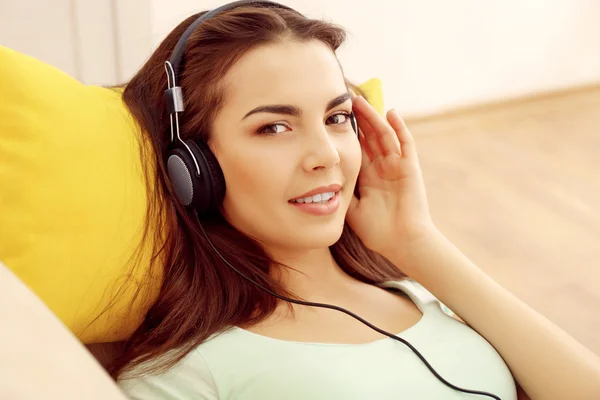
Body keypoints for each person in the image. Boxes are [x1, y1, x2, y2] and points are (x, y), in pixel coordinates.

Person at [2, 1, 599, 399]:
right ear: (193, 167)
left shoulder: (420, 291)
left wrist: (417, 243)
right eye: (275, 127)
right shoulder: (186, 372)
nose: (327, 155)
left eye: (337, 117)